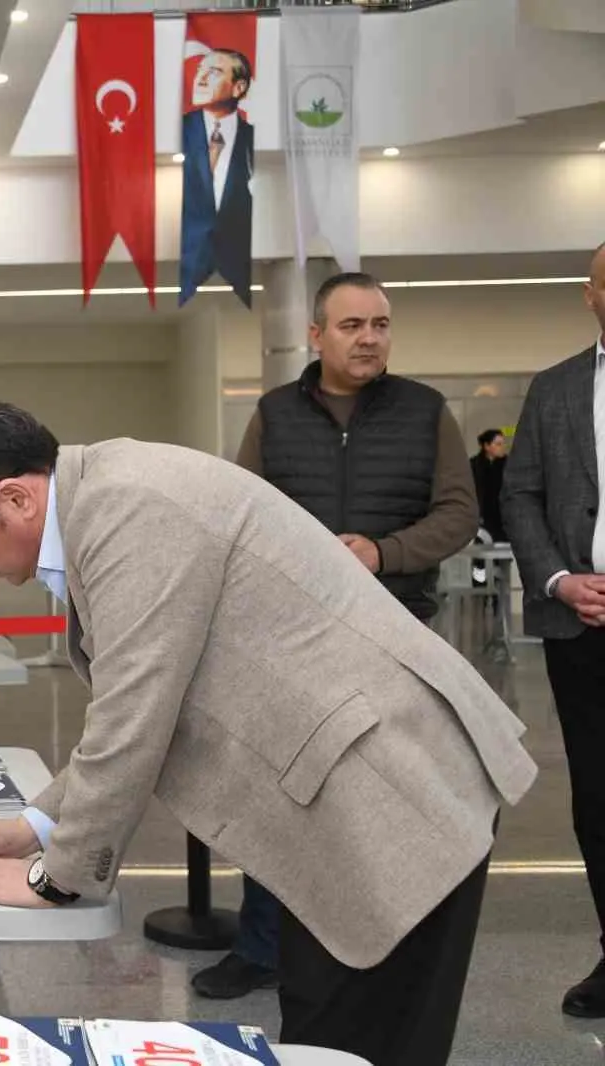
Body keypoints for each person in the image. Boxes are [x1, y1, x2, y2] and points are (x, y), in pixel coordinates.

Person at [0, 397, 535, 1066]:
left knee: (362, 1045)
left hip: (393, 794)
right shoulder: (106, 499)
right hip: (348, 798)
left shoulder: (129, 509)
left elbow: (133, 717)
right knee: (325, 1030)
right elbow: (141, 707)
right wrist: (33, 827)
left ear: (17, 499)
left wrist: (51, 877)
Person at [198, 270, 480, 999]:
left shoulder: (426, 412)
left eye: (381, 325)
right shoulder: (273, 414)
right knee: (281, 795)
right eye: (353, 326)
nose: (370, 339)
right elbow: (241, 513)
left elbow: (457, 514)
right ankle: (262, 948)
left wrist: (383, 553)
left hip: (395, 635)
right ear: (316, 335)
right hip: (293, 642)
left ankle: (372, 942)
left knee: (381, 798)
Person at [502, 240, 605, 1018]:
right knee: (597, 798)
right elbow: (522, 496)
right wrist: (561, 580)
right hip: (582, 628)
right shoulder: (556, 389)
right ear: (590, 293)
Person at [179, 49, 254, 305]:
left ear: (239, 87)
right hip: (193, 250)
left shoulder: (250, 138)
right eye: (200, 70)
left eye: (214, 72)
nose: (200, 78)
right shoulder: (180, 132)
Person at [470, 428, 508, 543]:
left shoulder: (507, 465)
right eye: (498, 444)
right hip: (482, 517)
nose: (502, 447)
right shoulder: (474, 465)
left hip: (502, 517)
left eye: (502, 444)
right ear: (486, 446)